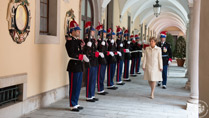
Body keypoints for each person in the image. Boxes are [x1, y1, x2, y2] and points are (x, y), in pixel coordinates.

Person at [65, 20, 87, 111]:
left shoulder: (78, 41)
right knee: (73, 86)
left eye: (79, 30)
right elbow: (71, 54)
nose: (79, 32)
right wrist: (81, 56)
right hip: (73, 65)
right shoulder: (69, 42)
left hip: (79, 65)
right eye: (77, 30)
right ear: (72, 31)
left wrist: (83, 47)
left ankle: (76, 103)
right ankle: (72, 104)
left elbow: (81, 51)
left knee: (78, 86)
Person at [83, 21, 99, 102]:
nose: (94, 32)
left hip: (94, 62)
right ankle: (88, 96)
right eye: (92, 31)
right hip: (90, 62)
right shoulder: (86, 41)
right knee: (89, 79)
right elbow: (86, 52)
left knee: (93, 79)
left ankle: (92, 95)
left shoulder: (93, 40)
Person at [96, 23, 109, 95]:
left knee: (103, 75)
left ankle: (102, 88)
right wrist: (101, 45)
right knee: (100, 75)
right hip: (100, 60)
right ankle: (99, 89)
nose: (105, 34)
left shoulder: (105, 41)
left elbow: (105, 50)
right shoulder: (98, 41)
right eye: (104, 33)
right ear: (100, 34)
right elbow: (97, 50)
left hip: (104, 59)